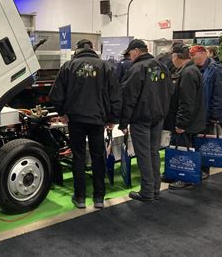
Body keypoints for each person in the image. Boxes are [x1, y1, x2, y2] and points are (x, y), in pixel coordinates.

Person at [50, 39, 120, 209]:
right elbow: (116, 96)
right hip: (98, 120)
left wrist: (63, 113)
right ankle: (99, 198)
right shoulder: (106, 67)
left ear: (77, 50)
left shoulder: (68, 67)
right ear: (93, 49)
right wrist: (112, 119)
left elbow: (56, 94)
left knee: (78, 157)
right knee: (98, 157)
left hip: (76, 120)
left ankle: (80, 197)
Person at [118, 39, 171, 201]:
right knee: (153, 152)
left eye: (130, 53)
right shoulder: (161, 66)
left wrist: (123, 122)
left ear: (136, 51)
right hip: (158, 117)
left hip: (141, 119)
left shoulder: (137, 69)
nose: (129, 57)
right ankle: (155, 189)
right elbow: (169, 91)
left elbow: (128, 99)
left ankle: (147, 191)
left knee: (143, 155)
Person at [164, 44, 205, 189]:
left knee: (184, 149)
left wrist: (181, 124)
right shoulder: (190, 70)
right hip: (188, 121)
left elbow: (186, 102)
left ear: (175, 56)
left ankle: (185, 178)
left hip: (187, 123)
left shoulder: (188, 73)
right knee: (179, 148)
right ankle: (176, 173)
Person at [189, 45, 222, 179]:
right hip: (195, 114)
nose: (192, 58)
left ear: (203, 53)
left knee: (205, 143)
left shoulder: (215, 69)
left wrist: (216, 116)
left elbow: (219, 94)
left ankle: (204, 169)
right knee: (195, 142)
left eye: (193, 55)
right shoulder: (194, 69)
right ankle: (195, 166)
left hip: (207, 114)